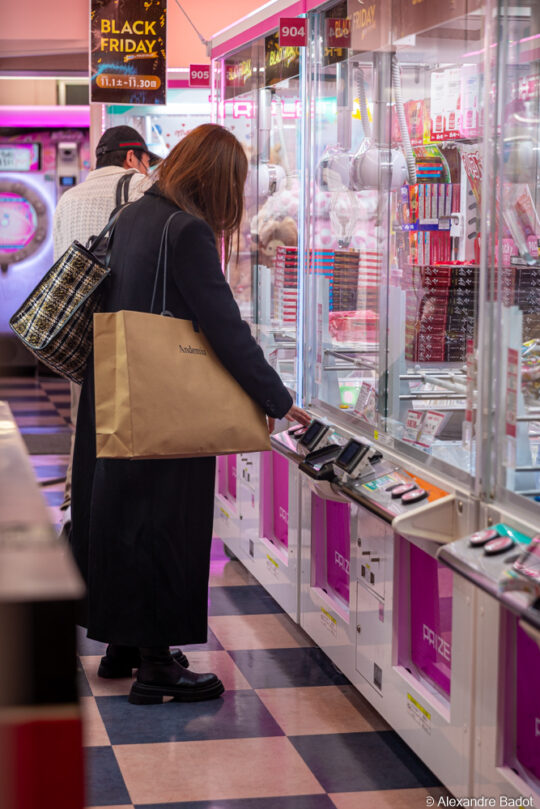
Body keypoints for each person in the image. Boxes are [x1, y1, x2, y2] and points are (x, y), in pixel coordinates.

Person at [71, 124, 310, 705]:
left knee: (123, 521)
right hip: (166, 403)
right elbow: (223, 326)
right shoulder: (187, 230)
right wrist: (277, 400)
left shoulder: (133, 214)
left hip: (118, 390)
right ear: (216, 180)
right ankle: (157, 668)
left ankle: (125, 646)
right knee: (163, 526)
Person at [52, 125, 158, 528]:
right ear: (132, 157)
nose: (148, 169)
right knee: (128, 427)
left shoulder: (67, 198)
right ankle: (119, 517)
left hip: (77, 330)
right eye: (146, 161)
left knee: (83, 423)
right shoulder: (140, 189)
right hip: (126, 325)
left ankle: (76, 510)